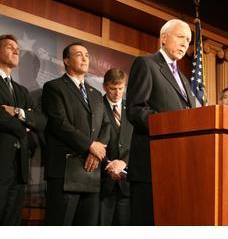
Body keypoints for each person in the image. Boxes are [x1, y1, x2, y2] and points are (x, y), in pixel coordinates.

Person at [126, 19, 197, 225]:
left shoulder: (184, 79)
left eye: (189, 40)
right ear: (164, 38)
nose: (185, 43)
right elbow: (136, 110)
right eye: (181, 37)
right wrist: (170, 126)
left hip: (178, 165)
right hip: (151, 165)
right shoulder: (146, 64)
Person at [42, 42, 110, 225]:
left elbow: (106, 126)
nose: (85, 58)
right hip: (64, 171)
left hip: (91, 171)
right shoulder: (53, 87)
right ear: (66, 60)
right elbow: (59, 123)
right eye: (79, 54)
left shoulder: (96, 94)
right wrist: (90, 145)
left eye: (87, 55)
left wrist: (97, 151)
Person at [0, 34, 46, 225]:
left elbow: (40, 121)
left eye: (17, 48)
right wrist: (23, 128)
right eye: (10, 47)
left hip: (19, 165)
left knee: (12, 221)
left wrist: (17, 113)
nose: (16, 50)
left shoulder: (22, 91)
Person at [100, 68, 133, 225]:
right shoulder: (96, 106)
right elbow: (92, 140)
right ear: (104, 86)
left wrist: (124, 163)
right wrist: (109, 165)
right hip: (103, 182)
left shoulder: (132, 110)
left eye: (121, 88)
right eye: (113, 88)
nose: (117, 93)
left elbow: (136, 142)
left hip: (126, 183)